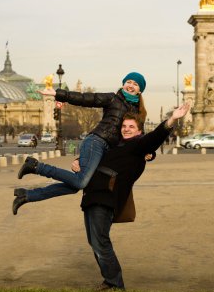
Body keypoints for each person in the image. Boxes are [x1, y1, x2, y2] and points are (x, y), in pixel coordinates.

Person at [14, 104, 188, 290]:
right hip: (92, 196)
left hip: (106, 198)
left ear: (139, 132)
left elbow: (154, 139)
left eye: (131, 127)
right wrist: (79, 162)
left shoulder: (139, 146)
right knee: (95, 241)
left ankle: (114, 284)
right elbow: (93, 161)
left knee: (100, 241)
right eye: (124, 126)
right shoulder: (115, 147)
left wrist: (172, 119)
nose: (126, 129)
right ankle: (27, 193)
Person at [13, 72, 147, 214]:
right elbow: (86, 98)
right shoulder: (113, 98)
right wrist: (57, 94)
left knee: (75, 185)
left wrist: (149, 153)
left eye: (135, 84)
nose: (131, 85)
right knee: (81, 182)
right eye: (129, 82)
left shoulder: (139, 112)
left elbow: (141, 137)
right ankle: (36, 166)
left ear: (140, 90)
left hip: (106, 151)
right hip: (96, 141)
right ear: (123, 84)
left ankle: (27, 195)